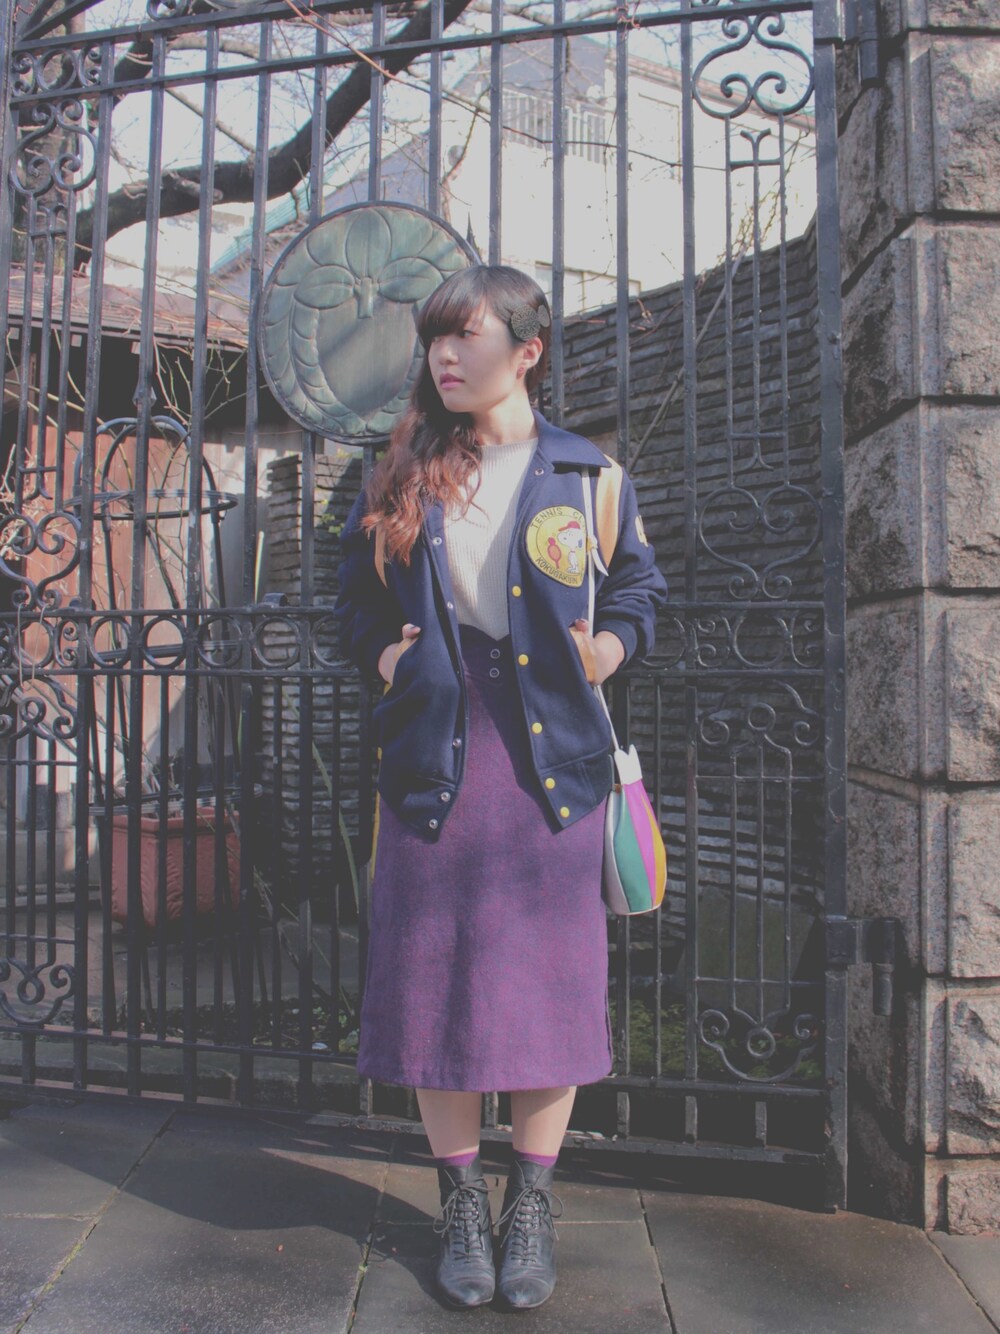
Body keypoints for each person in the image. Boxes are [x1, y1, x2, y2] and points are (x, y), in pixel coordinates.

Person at [335, 264, 667, 1312]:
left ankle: (529, 1201)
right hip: (434, 754)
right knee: (431, 981)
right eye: (435, 337)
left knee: (545, 988)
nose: (443, 354)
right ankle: (459, 1205)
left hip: (550, 763)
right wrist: (390, 660)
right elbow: (350, 602)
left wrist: (607, 650)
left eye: (465, 335)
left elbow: (640, 585)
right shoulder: (400, 470)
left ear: (527, 351)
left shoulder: (587, 473)